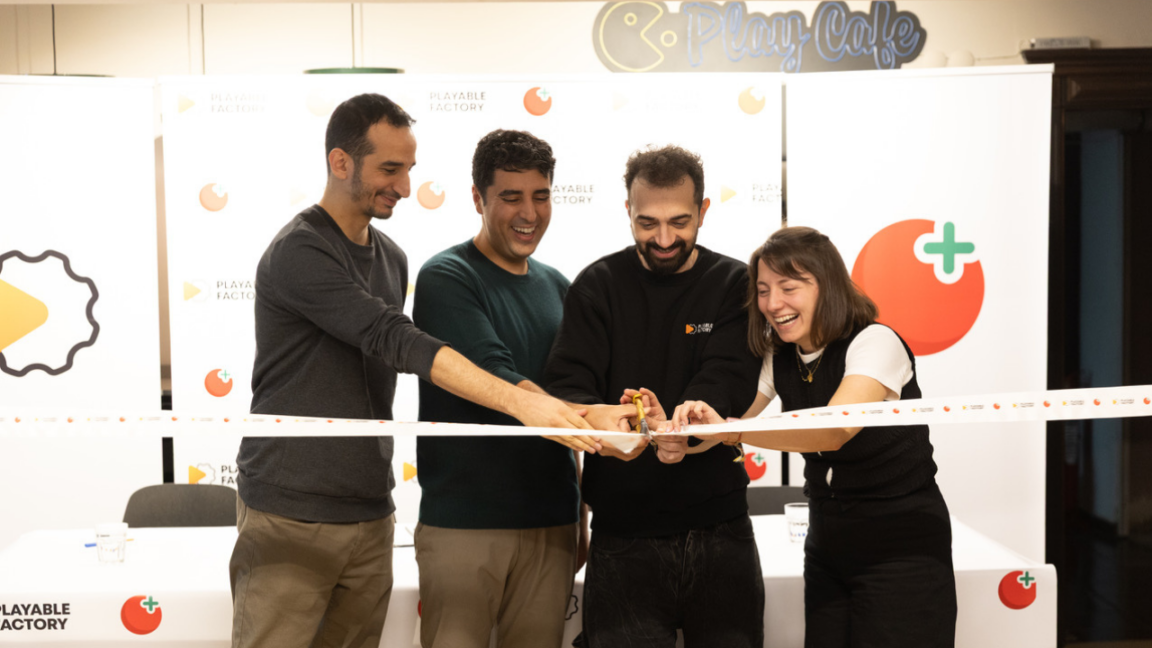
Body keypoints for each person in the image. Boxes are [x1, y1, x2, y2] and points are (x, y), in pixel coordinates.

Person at [230, 94, 605, 648]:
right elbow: (391, 337)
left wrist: (578, 502)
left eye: (408, 169)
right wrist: (527, 402)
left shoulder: (391, 256)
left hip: (371, 510)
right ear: (340, 162)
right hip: (291, 510)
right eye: (390, 169)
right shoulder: (299, 250)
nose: (405, 187)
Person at [663, 226, 958, 648]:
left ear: (827, 286)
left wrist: (731, 430)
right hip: (827, 543)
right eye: (763, 290)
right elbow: (731, 424)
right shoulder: (778, 354)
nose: (773, 304)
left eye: (789, 288)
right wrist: (681, 431)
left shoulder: (875, 342)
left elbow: (833, 430)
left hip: (900, 544)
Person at [413, 129, 631, 647]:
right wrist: (591, 416)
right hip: (464, 525)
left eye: (541, 195)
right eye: (511, 197)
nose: (529, 213)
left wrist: (578, 516)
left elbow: (573, 393)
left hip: (551, 524)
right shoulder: (446, 277)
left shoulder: (560, 287)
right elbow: (495, 372)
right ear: (478, 198)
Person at [543, 145, 765, 647]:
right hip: (622, 537)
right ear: (628, 211)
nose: (664, 239)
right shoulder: (597, 286)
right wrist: (608, 421)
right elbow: (567, 389)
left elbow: (728, 376)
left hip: (721, 530)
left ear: (703, 211)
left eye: (679, 222)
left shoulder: (734, 284)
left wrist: (685, 422)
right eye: (648, 223)